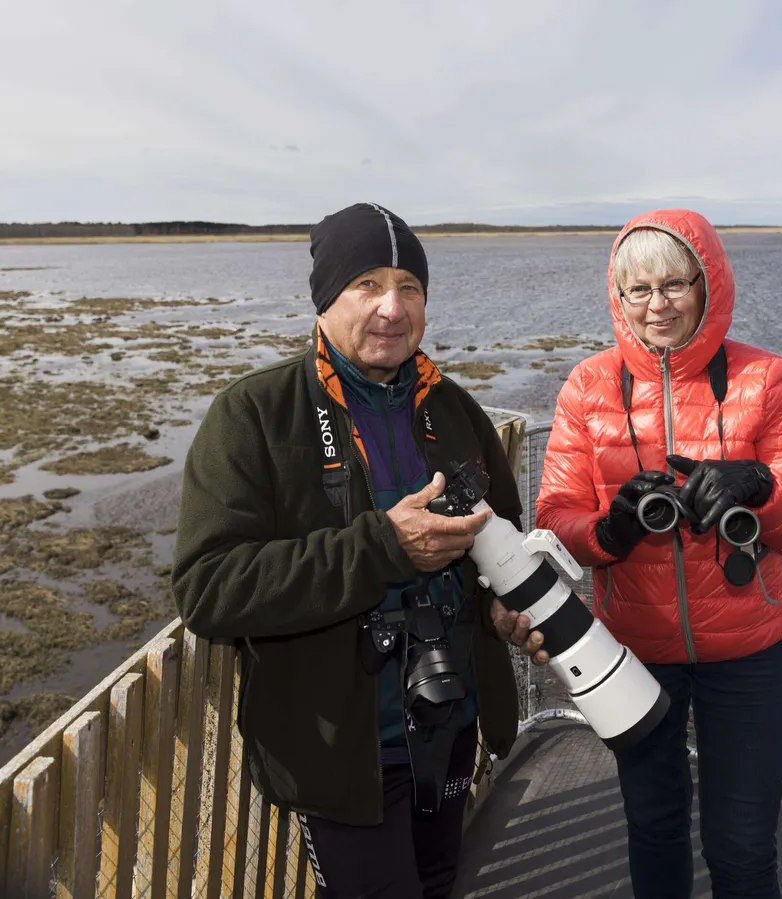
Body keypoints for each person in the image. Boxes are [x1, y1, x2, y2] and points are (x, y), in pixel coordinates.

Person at [171, 202, 538, 899]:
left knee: (439, 880)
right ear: (325, 297)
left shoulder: (455, 410)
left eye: (409, 287)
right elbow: (207, 588)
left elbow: (503, 538)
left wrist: (503, 607)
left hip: (451, 724)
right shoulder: (254, 414)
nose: (391, 308)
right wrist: (383, 548)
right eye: (366, 283)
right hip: (344, 751)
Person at [532, 209, 782, 898]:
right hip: (632, 653)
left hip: (748, 653)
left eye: (674, 283)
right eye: (637, 290)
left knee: (744, 846)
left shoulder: (765, 379)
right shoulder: (588, 387)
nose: (656, 304)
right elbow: (555, 516)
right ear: (617, 297)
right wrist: (612, 531)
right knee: (655, 825)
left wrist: (759, 486)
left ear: (709, 283)